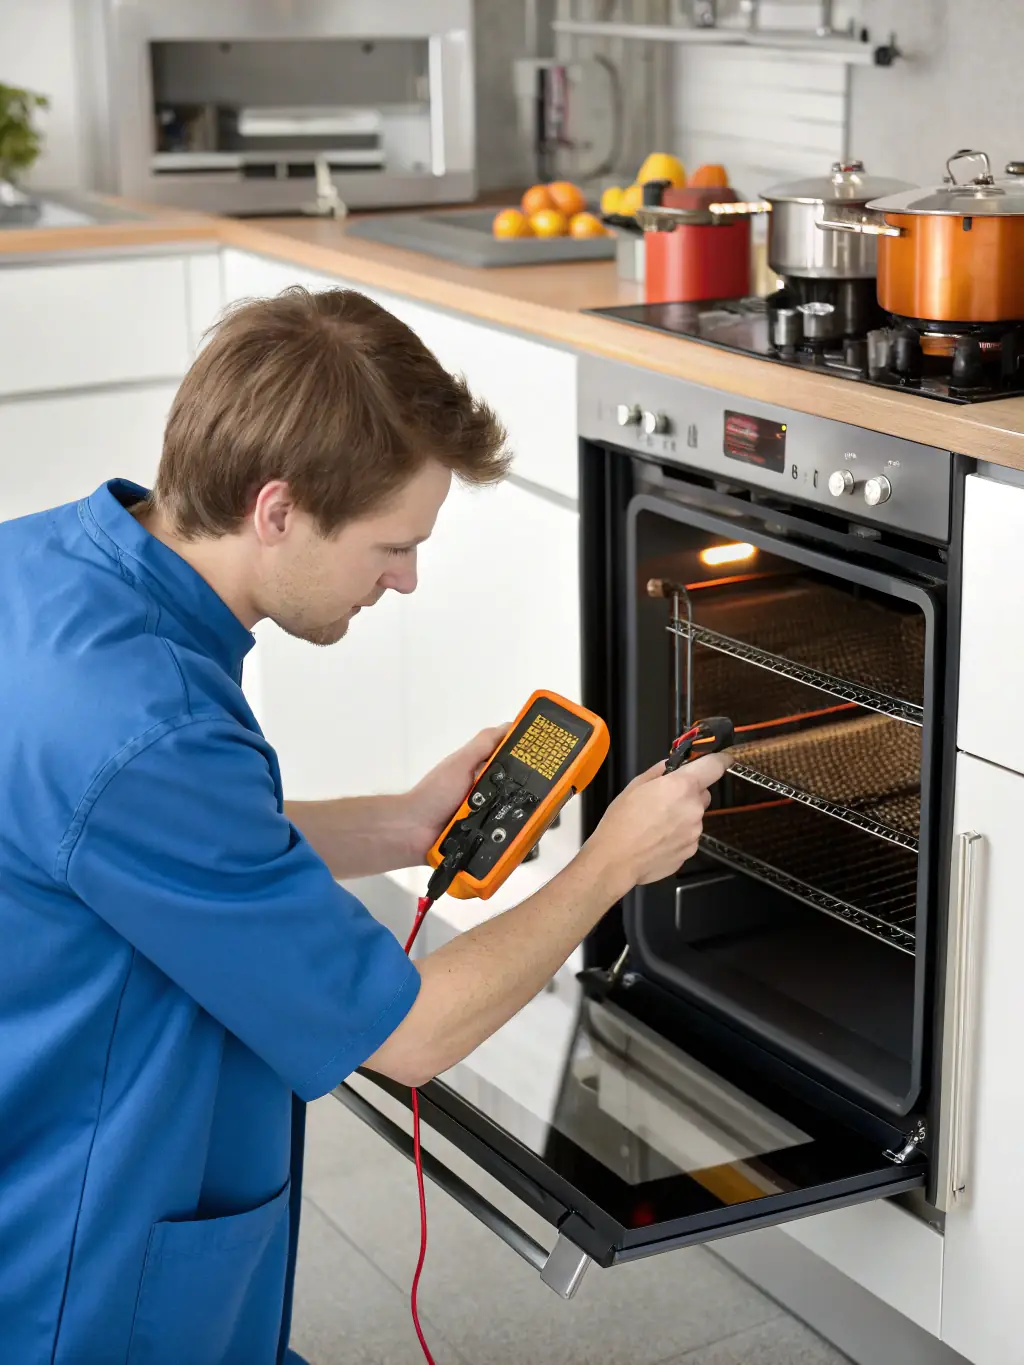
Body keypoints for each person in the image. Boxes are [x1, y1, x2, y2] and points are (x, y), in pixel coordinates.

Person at [0, 287, 730, 1364]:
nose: (406, 579)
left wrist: (401, 822)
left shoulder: (45, 568)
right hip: (85, 1268)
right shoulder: (149, 732)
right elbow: (412, 1035)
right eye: (391, 544)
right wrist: (614, 863)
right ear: (278, 511)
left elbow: (146, 844)